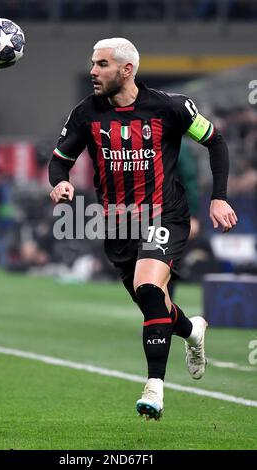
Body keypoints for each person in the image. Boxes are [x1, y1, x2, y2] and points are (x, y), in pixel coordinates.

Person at [48, 38, 238, 420]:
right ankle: (192, 330)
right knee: (154, 305)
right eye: (92, 63)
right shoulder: (86, 113)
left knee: (150, 287)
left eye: (102, 64)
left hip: (165, 215)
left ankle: (155, 388)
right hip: (119, 223)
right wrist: (60, 181)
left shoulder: (170, 107)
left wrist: (218, 197)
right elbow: (60, 159)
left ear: (126, 69)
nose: (93, 71)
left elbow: (215, 142)